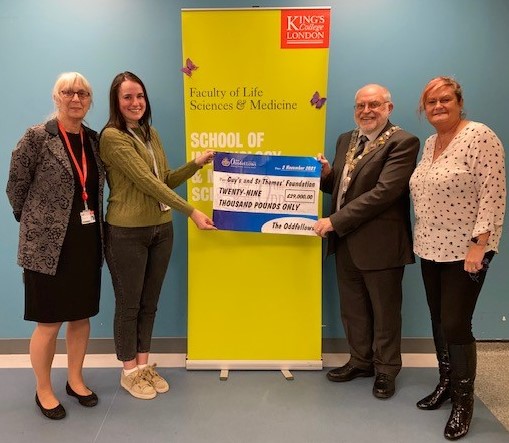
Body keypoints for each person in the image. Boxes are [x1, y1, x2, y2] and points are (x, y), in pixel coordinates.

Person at [99, 71, 216, 400]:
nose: (135, 103)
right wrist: (191, 211)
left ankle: (144, 366)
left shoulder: (150, 133)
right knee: (129, 305)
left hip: (161, 230)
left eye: (140, 96)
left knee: (149, 304)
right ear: (117, 102)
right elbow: (146, 183)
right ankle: (128, 371)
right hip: (126, 233)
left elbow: (162, 179)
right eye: (127, 97)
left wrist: (195, 164)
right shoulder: (112, 137)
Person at [410, 76, 506, 440]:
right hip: (430, 246)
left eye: (445, 99)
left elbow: (493, 193)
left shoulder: (480, 135)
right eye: (431, 101)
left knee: (455, 322)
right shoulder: (432, 142)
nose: (438, 106)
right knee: (438, 318)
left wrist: (479, 244)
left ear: (459, 101)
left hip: (466, 249)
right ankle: (446, 385)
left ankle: (464, 403)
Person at [6, 72, 104, 420]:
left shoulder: (93, 140)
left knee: (81, 317)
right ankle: (43, 388)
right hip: (46, 248)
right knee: (48, 322)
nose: (75, 98)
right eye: (67, 92)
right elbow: (15, 186)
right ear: (56, 97)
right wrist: (35, 223)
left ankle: (75, 380)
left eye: (82, 93)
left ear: (89, 100)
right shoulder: (36, 137)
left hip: (87, 242)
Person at [314, 84, 420, 399]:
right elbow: (344, 187)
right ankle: (360, 361)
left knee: (385, 311)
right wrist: (324, 175)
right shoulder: (346, 139)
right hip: (346, 241)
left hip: (381, 243)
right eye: (360, 105)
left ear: (388, 107)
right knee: (354, 308)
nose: (366, 111)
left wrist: (334, 221)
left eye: (373, 104)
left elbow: (384, 193)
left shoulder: (403, 142)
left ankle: (386, 370)